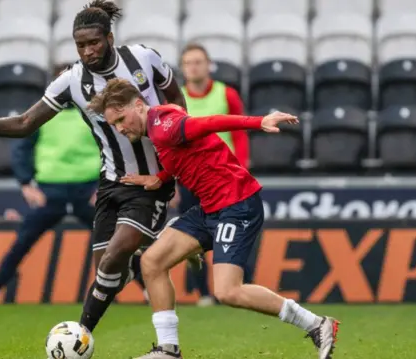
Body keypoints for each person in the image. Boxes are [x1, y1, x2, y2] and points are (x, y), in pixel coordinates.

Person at [0, 0, 188, 332]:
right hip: (112, 181)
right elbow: (26, 122)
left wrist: (175, 153)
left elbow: (176, 98)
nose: (86, 51)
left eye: (93, 43)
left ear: (109, 38)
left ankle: (82, 334)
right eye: (80, 45)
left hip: (151, 180)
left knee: (115, 255)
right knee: (107, 270)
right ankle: (166, 246)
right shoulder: (72, 81)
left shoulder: (143, 57)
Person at [87, 78, 340, 359]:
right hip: (210, 208)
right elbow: (185, 155)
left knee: (228, 291)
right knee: (152, 262)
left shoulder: (163, 127)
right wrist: (158, 178)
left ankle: (317, 324)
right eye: (114, 125)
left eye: (121, 119)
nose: (121, 128)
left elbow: (209, 123)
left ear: (138, 105)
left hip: (237, 204)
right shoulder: (158, 126)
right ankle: (168, 349)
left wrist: (259, 122)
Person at [0, 65, 102, 305]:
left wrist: (105, 187)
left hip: (88, 191)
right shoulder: (43, 113)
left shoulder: (94, 112)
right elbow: (21, 149)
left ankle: (148, 291)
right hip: (50, 191)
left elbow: (112, 150)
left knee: (116, 243)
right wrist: (26, 184)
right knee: (23, 241)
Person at [177, 43, 251, 306]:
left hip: (225, 178)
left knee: (235, 233)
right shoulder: (178, 99)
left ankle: (241, 289)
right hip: (191, 181)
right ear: (183, 69)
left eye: (198, 61)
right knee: (192, 242)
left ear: (208, 65)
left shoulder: (226, 94)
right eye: (188, 63)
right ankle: (203, 293)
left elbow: (239, 134)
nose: (193, 67)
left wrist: (241, 169)